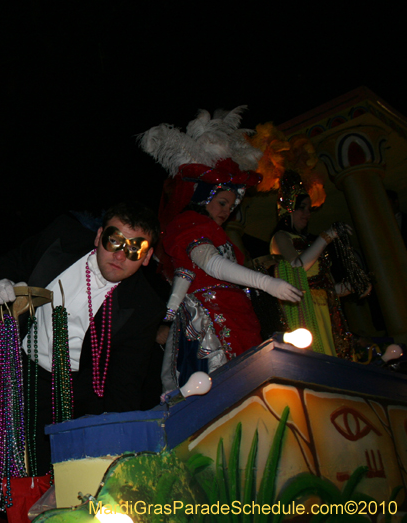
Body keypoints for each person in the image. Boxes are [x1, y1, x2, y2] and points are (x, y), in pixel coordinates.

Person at [0, 201, 166, 473]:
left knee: (48, 474)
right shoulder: (62, 236)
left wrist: (116, 445)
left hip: (72, 398)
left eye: (134, 248)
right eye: (114, 241)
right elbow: (13, 261)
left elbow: (125, 384)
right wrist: (4, 281)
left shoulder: (144, 306)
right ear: (98, 235)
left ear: (148, 255)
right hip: (19, 368)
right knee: (1, 454)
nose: (119, 256)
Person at [139, 107, 302, 393]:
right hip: (210, 318)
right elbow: (210, 266)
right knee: (221, 386)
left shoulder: (216, 235)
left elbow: (188, 274)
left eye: (231, 206)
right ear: (203, 199)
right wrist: (268, 283)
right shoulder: (189, 224)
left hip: (237, 312)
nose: (227, 211)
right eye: (222, 203)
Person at [270, 173, 364, 357]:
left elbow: (326, 288)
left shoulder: (308, 244)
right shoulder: (281, 237)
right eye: (302, 208)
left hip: (326, 311)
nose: (307, 214)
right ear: (288, 209)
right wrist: (327, 236)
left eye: (309, 209)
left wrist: (353, 285)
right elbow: (297, 267)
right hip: (305, 311)